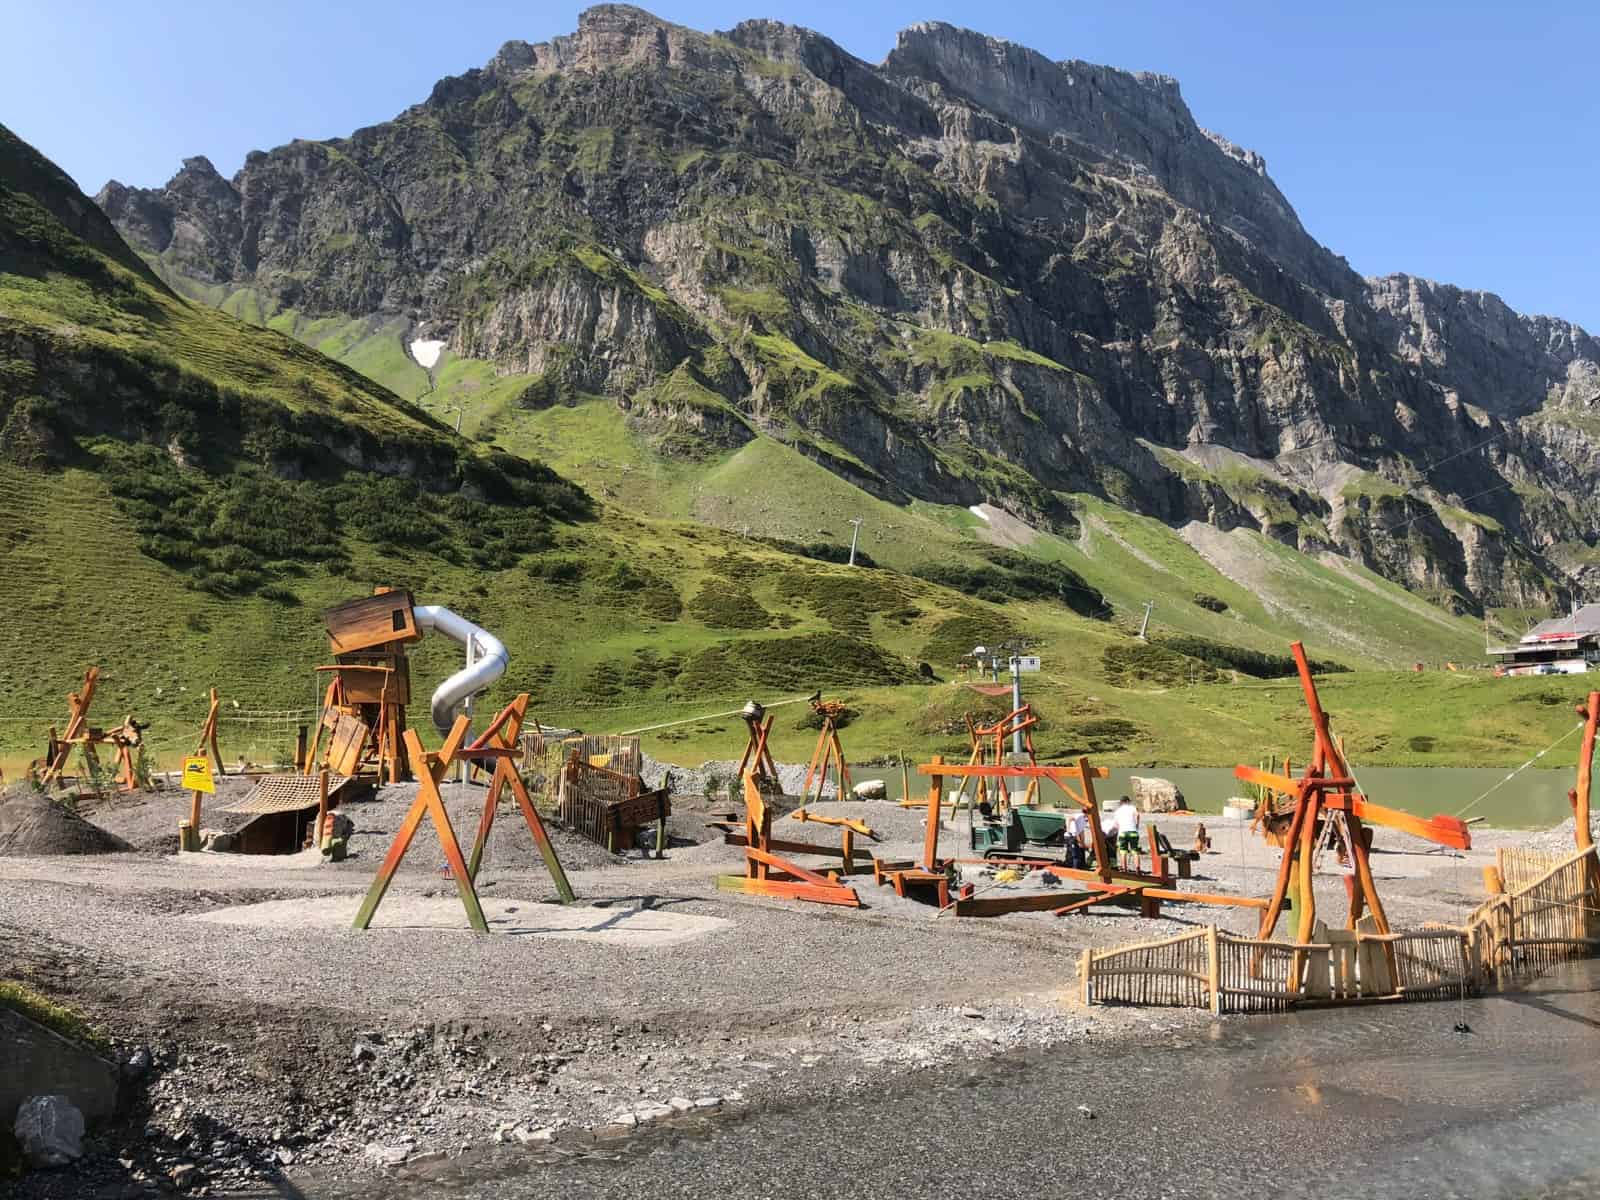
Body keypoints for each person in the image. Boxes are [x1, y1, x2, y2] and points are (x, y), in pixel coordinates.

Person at [1114, 795, 1141, 872]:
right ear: (1128, 801)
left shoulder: (1117, 811)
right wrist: (1137, 825)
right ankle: (1137, 868)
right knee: (1135, 851)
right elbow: (1137, 815)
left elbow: (1116, 824)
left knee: (1123, 851)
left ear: (1121, 802)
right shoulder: (1132, 808)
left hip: (1122, 832)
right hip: (1133, 831)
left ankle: (1124, 869)